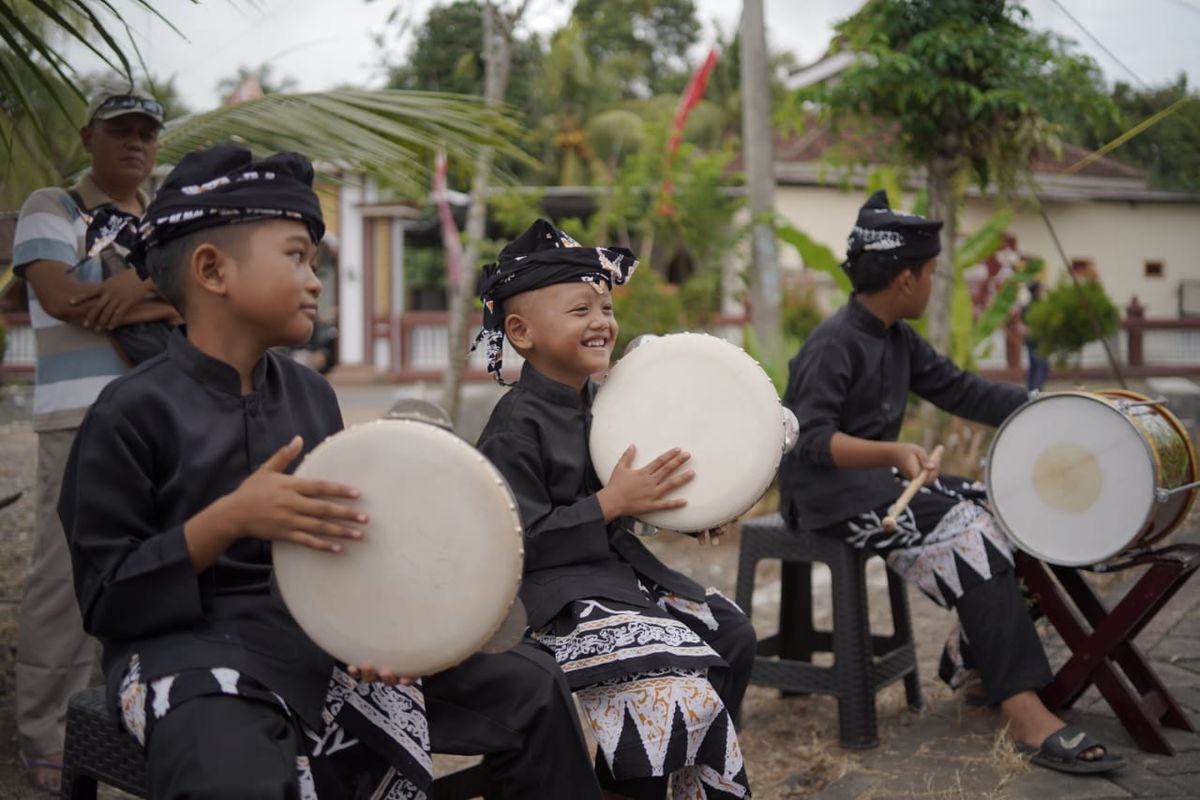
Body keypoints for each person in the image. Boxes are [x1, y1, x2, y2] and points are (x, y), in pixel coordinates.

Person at [58, 146, 601, 799]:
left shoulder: (309, 395)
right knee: (234, 777)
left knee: (531, 685)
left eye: (315, 262)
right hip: (189, 653)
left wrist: (383, 624)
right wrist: (229, 520)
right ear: (212, 269)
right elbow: (106, 597)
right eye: (296, 257)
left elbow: (341, 538)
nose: (316, 279)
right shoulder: (130, 411)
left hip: (315, 634)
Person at [778, 190, 1123, 776]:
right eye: (933, 272)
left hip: (879, 483)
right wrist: (893, 451)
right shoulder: (834, 342)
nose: (936, 283)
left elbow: (962, 390)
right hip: (827, 496)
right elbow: (808, 440)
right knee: (967, 531)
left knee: (1008, 510)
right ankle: (1021, 709)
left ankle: (977, 665)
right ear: (905, 280)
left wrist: (1049, 408)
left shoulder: (896, 338)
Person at [473, 219, 757, 799]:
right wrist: (608, 504)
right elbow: (512, 543)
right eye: (580, 311)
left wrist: (695, 512)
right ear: (522, 332)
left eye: (604, 307)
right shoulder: (515, 425)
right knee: (666, 670)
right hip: (547, 599)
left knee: (731, 632)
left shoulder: (609, 403)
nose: (601, 321)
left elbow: (635, 496)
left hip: (616, 579)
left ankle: (640, 784)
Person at [10, 84, 179, 793]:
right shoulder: (52, 208)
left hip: (160, 418)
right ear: (88, 138)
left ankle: (126, 722)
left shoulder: (167, 219)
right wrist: (154, 292)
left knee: (152, 572)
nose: (134, 142)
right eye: (119, 131)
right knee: (62, 582)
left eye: (145, 131)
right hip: (77, 418)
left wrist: (125, 289)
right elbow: (57, 296)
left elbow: (201, 296)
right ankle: (43, 731)